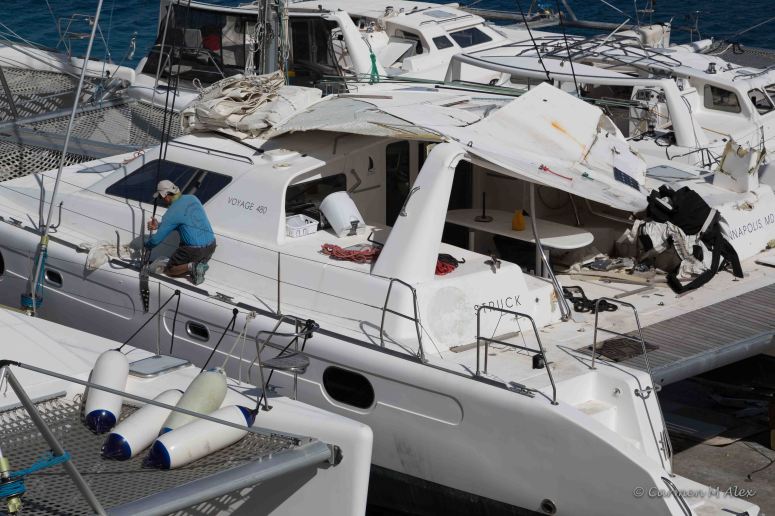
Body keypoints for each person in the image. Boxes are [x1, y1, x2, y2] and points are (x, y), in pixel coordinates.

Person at [145, 180, 216, 285]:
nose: (162, 200)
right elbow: (183, 220)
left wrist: (146, 245)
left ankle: (192, 266)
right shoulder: (193, 198)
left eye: (160, 197)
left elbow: (155, 241)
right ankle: (198, 266)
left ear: (165, 196)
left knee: (170, 270)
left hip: (194, 251)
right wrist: (159, 225)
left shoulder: (171, 213)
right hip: (211, 246)